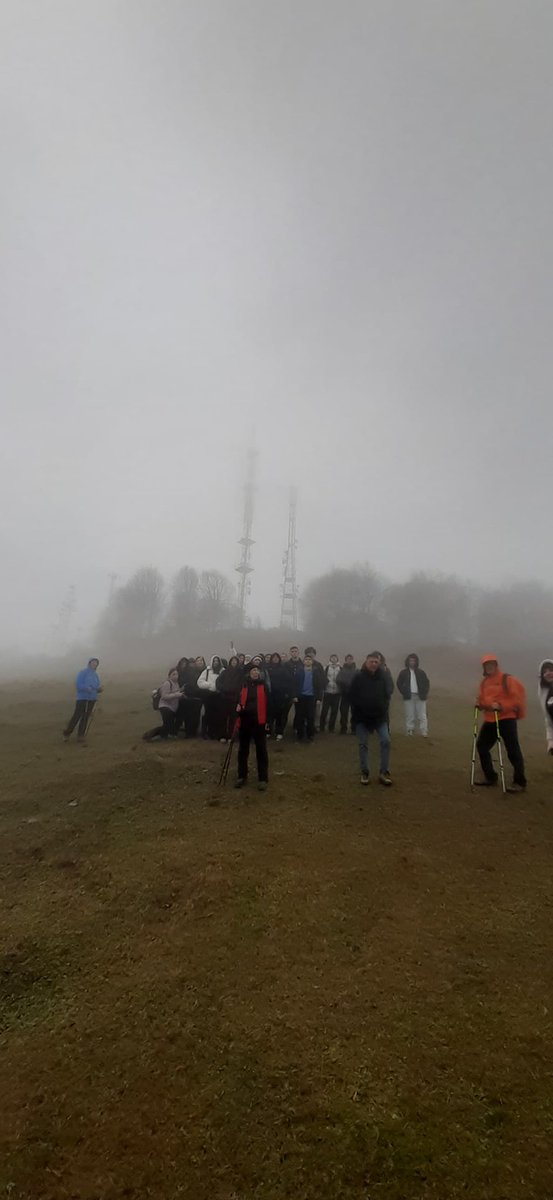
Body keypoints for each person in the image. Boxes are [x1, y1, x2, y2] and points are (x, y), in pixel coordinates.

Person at [475, 655, 527, 792]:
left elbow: (517, 699)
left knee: (512, 750)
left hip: (506, 719)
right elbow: (483, 700)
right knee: (482, 746)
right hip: (490, 719)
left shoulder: (507, 679)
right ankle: (490, 777)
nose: (489, 667)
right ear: (484, 667)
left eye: (492, 664)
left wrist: (501, 705)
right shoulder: (484, 683)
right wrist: (480, 704)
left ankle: (519, 782)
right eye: (486, 665)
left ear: (496, 665)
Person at [349, 652, 393, 786]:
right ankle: (365, 772)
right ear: (366, 662)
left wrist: (383, 707)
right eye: (371, 661)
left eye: (376, 662)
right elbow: (352, 696)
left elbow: (388, 692)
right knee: (363, 744)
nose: (374, 664)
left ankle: (384, 772)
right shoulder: (358, 676)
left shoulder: (384, 676)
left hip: (380, 717)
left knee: (386, 741)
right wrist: (357, 713)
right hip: (361, 718)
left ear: (379, 663)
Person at [235, 663, 269, 791]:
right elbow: (237, 701)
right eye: (253, 670)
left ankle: (263, 778)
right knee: (243, 751)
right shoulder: (243, 686)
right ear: (248, 673)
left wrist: (268, 721)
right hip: (244, 721)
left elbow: (268, 703)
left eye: (257, 670)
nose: (256, 672)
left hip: (259, 722)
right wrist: (237, 707)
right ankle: (242, 776)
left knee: (261, 751)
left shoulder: (263, 685)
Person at [63, 657, 102, 741]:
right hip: (82, 698)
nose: (94, 664)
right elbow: (78, 684)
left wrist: (99, 689)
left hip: (92, 699)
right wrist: (85, 688)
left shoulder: (95, 675)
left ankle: (80, 735)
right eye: (93, 662)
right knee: (77, 716)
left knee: (85, 717)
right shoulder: (83, 673)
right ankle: (67, 733)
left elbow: (97, 685)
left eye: (96, 663)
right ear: (89, 663)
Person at [143, 668, 183, 740]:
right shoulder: (167, 683)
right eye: (173, 674)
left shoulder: (177, 684)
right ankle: (150, 735)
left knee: (167, 725)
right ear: (169, 676)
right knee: (168, 725)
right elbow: (164, 696)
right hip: (165, 707)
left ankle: (161, 736)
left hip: (172, 708)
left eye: (177, 674)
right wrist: (177, 695)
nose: (175, 676)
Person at [396, 654, 430, 736]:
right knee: (410, 714)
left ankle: (424, 731)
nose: (412, 662)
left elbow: (426, 683)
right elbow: (399, 683)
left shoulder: (421, 672)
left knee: (422, 715)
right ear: (407, 661)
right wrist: (404, 692)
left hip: (420, 696)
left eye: (414, 661)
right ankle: (410, 730)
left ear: (416, 662)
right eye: (410, 660)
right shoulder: (403, 673)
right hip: (408, 696)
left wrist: (424, 692)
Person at [216, 655, 244, 741]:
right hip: (224, 698)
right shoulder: (225, 672)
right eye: (233, 661)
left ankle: (231, 736)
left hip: (234, 699)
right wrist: (223, 688)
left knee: (233, 718)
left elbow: (242, 685)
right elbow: (218, 682)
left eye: (236, 661)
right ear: (230, 662)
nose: (234, 662)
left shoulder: (240, 673)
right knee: (223, 718)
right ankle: (222, 735)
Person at [198, 655, 224, 739]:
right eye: (214, 661)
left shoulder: (223, 671)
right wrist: (210, 685)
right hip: (209, 695)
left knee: (217, 715)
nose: (216, 662)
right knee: (208, 714)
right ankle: (205, 733)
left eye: (217, 661)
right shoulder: (207, 671)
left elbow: (225, 681)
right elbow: (200, 682)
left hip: (219, 695)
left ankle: (215, 733)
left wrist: (220, 688)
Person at [294, 654, 319, 742]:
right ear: (303, 662)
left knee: (310, 717)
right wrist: (295, 696)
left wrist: (319, 698)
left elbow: (319, 686)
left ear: (312, 662)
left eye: (309, 659)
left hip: (311, 697)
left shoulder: (316, 672)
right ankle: (300, 735)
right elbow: (295, 684)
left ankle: (310, 735)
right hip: (301, 697)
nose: (308, 661)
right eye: (306, 659)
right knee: (300, 716)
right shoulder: (299, 671)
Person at [267, 652, 292, 739]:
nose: (275, 659)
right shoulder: (267, 668)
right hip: (270, 694)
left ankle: (279, 732)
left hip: (280, 695)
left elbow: (288, 680)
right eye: (274, 658)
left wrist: (285, 692)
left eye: (277, 658)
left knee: (279, 715)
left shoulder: (283, 668)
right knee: (270, 714)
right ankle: (269, 731)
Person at [320, 654, 341, 732]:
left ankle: (331, 728)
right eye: (332, 657)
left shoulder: (340, 668)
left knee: (334, 711)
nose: (334, 659)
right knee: (324, 710)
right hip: (327, 692)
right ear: (330, 659)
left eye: (335, 657)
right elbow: (322, 677)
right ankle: (322, 727)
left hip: (337, 692)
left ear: (337, 659)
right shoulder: (326, 667)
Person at [337, 654, 356, 734]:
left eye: (351, 659)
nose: (349, 660)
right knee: (344, 712)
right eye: (348, 659)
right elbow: (338, 680)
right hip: (344, 694)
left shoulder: (356, 671)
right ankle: (343, 728)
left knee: (354, 712)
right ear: (345, 660)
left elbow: (359, 681)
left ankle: (354, 729)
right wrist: (343, 688)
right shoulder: (342, 671)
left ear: (353, 660)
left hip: (354, 695)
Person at [538, 660, 553, 754]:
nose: (548, 673)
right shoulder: (544, 693)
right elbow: (548, 720)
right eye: (544, 672)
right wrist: (550, 741)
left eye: (551, 670)